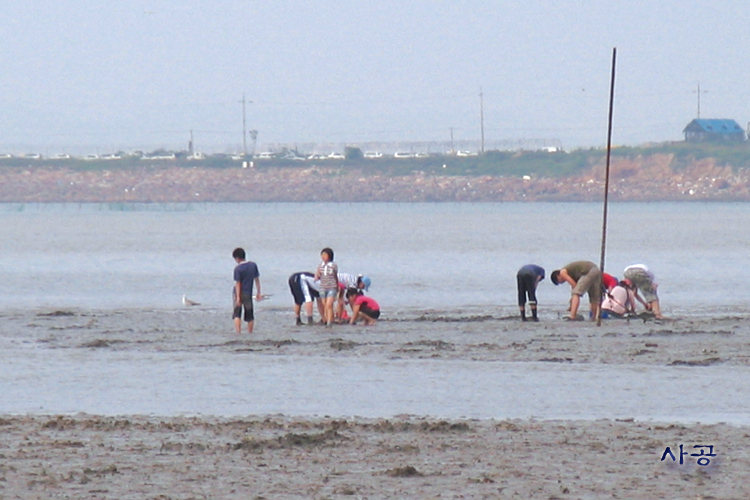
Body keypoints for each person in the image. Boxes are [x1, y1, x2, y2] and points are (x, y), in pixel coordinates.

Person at [232, 247, 262, 334]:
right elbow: (257, 279)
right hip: (248, 292)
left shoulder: (238, 269)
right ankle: (250, 332)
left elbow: (238, 283)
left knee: (237, 314)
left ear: (237, 258)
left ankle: (238, 332)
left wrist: (237, 298)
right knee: (250, 314)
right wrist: (258, 292)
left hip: (239, 292)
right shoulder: (253, 265)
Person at [314, 247, 338, 327]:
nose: (323, 256)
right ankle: (328, 318)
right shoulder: (320, 265)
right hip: (323, 287)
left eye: (325, 255)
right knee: (324, 304)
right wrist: (316, 277)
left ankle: (329, 322)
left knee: (329, 304)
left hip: (332, 287)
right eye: (322, 255)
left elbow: (335, 276)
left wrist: (337, 286)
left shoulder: (333, 265)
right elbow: (317, 274)